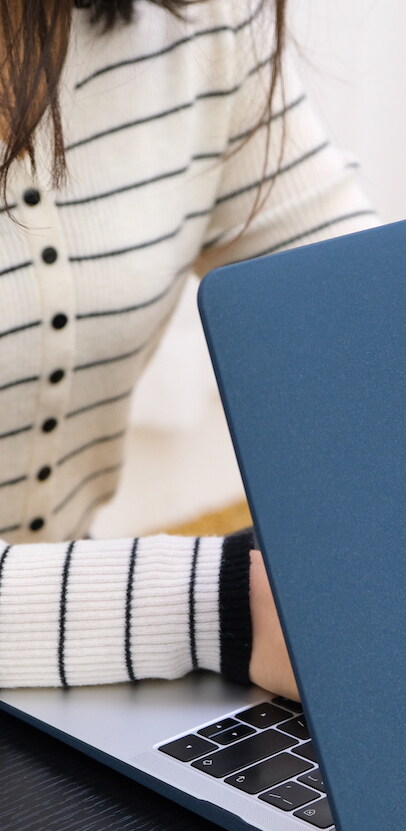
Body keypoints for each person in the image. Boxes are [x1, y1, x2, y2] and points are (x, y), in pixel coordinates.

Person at [0, 0, 376, 697]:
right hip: (123, 633)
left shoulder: (195, 20)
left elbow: (365, 325)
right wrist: (226, 606)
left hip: (78, 680)